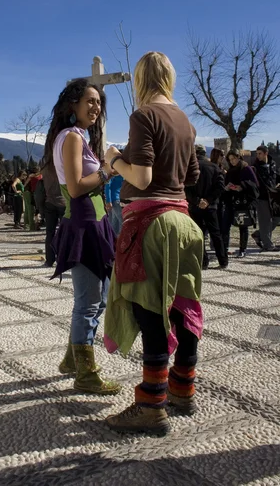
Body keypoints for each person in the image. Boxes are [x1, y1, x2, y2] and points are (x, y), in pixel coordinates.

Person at [103, 51, 203, 435]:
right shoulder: (185, 121)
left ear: (142, 80)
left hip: (150, 224)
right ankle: (183, 389)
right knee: (183, 306)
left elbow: (142, 179)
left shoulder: (143, 116)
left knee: (151, 310)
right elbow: (190, 174)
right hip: (183, 222)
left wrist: (114, 161)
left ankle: (151, 403)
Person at [43, 77, 121, 395]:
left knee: (98, 299)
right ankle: (85, 374)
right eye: (89, 100)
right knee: (88, 303)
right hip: (84, 223)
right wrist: (107, 170)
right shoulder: (72, 136)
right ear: (72, 104)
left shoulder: (81, 136)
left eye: (99, 102)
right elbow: (75, 187)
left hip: (96, 221)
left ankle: (71, 360)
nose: (95, 106)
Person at [186, 144, 227, 269]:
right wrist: (208, 200)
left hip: (195, 206)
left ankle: (203, 261)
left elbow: (185, 188)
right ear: (205, 153)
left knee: (198, 234)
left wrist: (198, 201)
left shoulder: (189, 168)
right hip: (211, 206)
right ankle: (223, 260)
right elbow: (220, 187)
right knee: (216, 233)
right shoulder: (215, 167)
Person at [222, 150, 259, 258]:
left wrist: (242, 186)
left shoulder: (246, 169)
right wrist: (227, 188)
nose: (232, 161)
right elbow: (226, 185)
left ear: (239, 157)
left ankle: (243, 249)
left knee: (243, 226)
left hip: (243, 201)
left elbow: (255, 185)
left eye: (234, 158)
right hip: (231, 201)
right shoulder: (230, 171)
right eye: (230, 160)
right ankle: (224, 248)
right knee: (225, 225)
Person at [252, 145, 280, 251]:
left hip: (273, 196)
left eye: (260, 153)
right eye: (257, 153)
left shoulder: (272, 163)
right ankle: (268, 245)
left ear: (265, 153)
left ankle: (259, 234)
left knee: (277, 219)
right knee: (265, 221)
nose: (258, 155)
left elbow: (275, 176)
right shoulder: (256, 167)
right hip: (262, 197)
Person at [41, 161, 65, 267]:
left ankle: (49, 260)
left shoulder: (44, 165)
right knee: (64, 232)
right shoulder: (61, 162)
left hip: (49, 200)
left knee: (50, 232)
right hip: (63, 201)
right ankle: (63, 258)